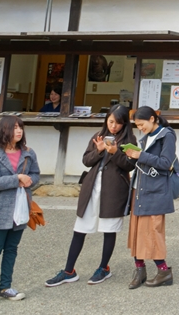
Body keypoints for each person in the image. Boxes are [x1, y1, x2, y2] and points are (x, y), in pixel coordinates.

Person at [45, 105, 136, 287]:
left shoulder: (129, 140)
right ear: (106, 120)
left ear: (125, 123)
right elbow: (86, 160)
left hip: (114, 190)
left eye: (118, 123)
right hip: (92, 187)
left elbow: (130, 165)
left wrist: (115, 153)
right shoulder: (98, 136)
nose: (114, 126)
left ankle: (103, 268)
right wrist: (99, 150)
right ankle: (68, 271)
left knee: (109, 229)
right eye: (111, 121)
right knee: (80, 228)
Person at [0, 115, 40, 309]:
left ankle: (5, 287)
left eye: (20, 127)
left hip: (20, 208)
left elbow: (36, 174)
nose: (19, 130)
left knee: (12, 249)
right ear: (4, 129)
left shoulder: (28, 153)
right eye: (14, 127)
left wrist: (29, 180)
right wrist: (17, 179)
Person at [123, 106, 177, 288]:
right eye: (137, 126)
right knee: (136, 232)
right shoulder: (146, 137)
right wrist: (130, 155)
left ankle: (164, 272)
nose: (140, 128)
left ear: (152, 119)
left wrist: (141, 155)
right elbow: (143, 161)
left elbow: (165, 163)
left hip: (155, 191)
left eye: (142, 124)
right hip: (139, 189)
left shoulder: (167, 135)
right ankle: (140, 270)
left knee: (153, 232)